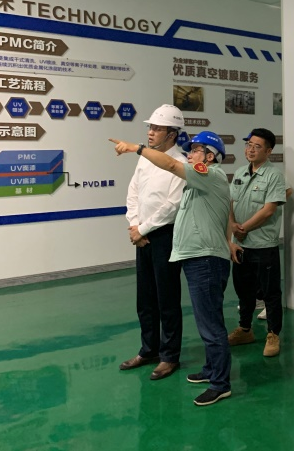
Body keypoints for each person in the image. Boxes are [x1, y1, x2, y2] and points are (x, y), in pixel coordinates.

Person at [110, 131, 235, 407]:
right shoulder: (198, 184)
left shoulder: (210, 174)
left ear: (210, 157)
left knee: (211, 325)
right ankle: (211, 369)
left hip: (206, 259)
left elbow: (169, 164)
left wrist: (136, 148)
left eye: (196, 150)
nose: (190, 154)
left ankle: (220, 384)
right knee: (205, 320)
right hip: (196, 258)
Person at [119, 105, 186, 381]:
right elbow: (133, 192)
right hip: (142, 235)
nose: (150, 132)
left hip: (164, 236)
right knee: (145, 298)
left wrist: (143, 229)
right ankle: (149, 350)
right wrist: (135, 225)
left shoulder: (180, 163)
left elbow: (173, 205)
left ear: (172, 134)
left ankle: (169, 356)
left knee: (167, 298)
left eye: (157, 128)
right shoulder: (145, 158)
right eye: (150, 127)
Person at [227, 128, 287, 357]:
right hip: (241, 245)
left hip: (263, 245)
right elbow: (230, 203)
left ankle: (273, 334)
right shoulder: (240, 172)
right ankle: (245, 329)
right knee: (244, 291)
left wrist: (243, 228)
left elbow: (269, 210)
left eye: (257, 146)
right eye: (248, 145)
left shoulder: (274, 176)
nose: (251, 150)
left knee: (270, 293)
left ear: (269, 151)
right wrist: (233, 227)